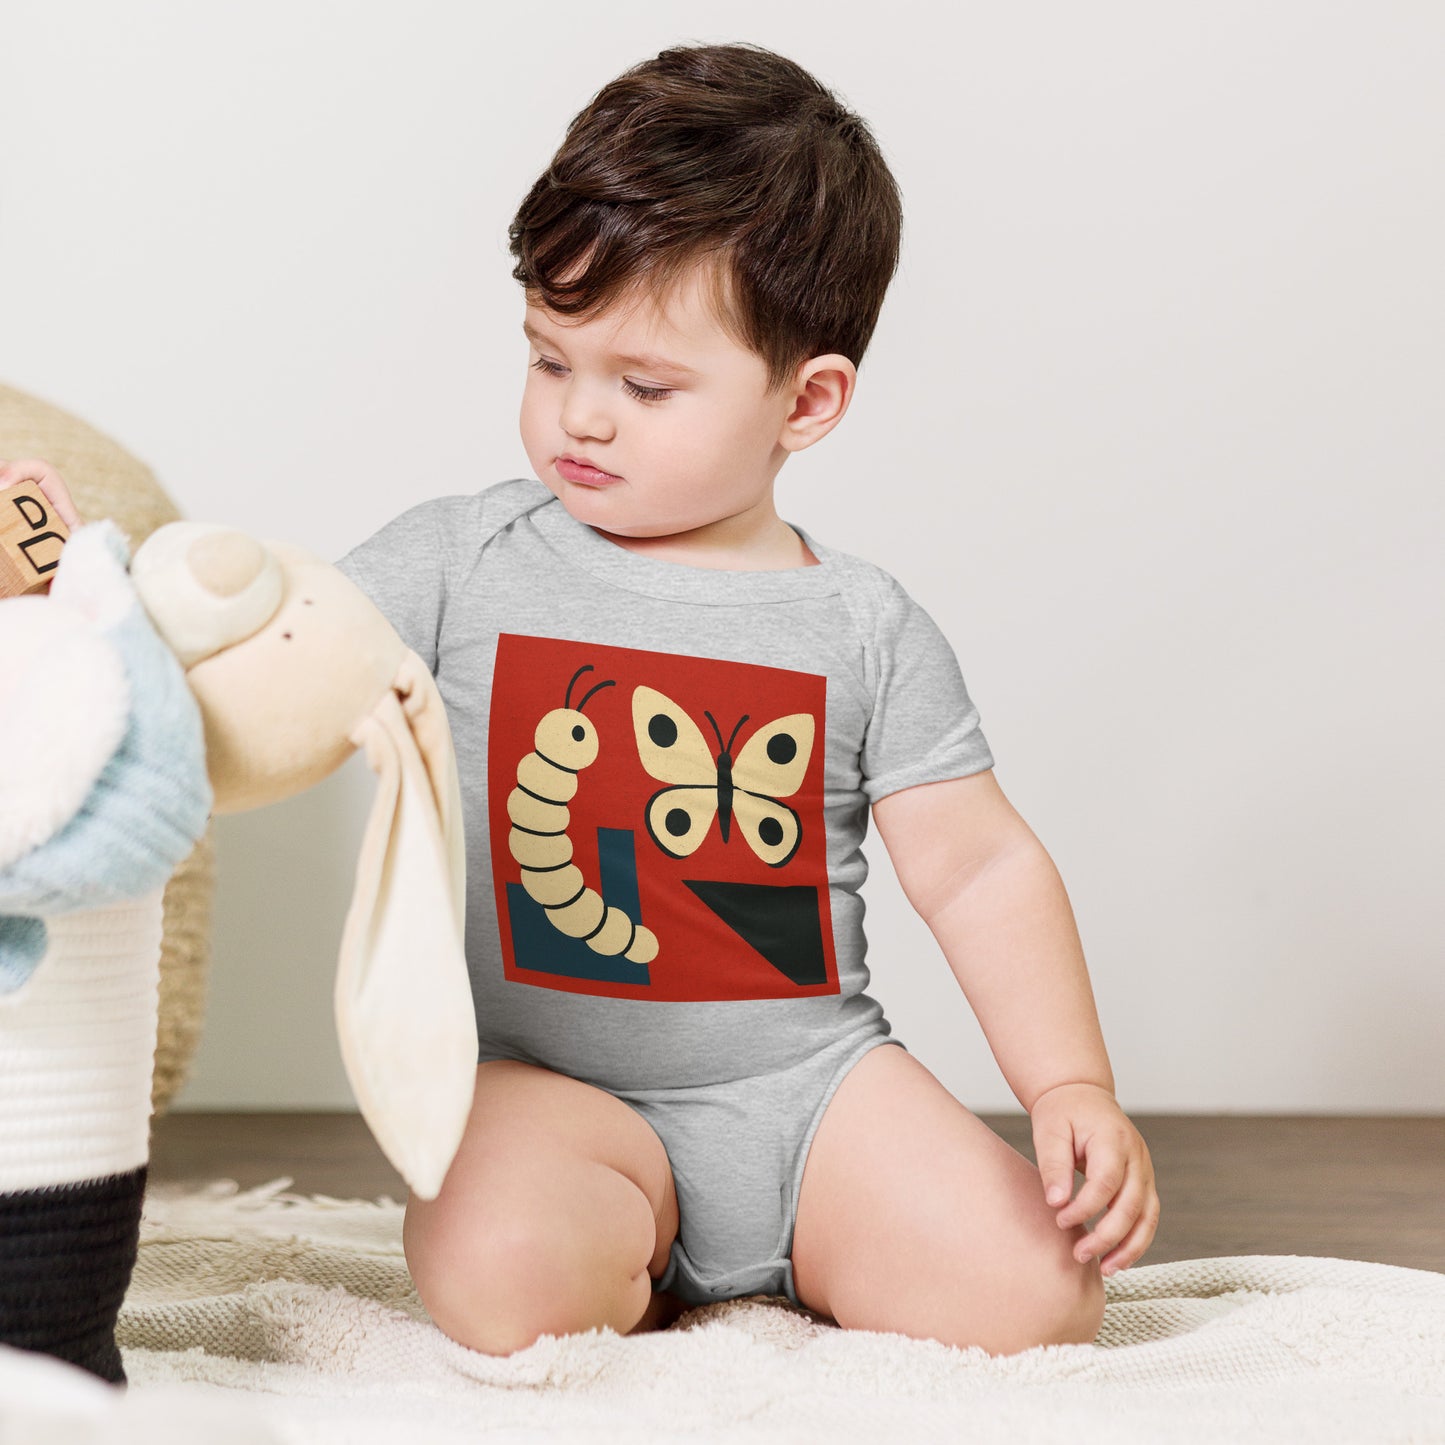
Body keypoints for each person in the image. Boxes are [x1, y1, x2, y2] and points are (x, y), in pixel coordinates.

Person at [5, 40, 1159, 1359]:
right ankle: (639, 1255)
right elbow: (284, 656)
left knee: (1037, 1298)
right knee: (492, 1273)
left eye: (645, 385)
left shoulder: (863, 627)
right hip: (557, 1091)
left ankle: (783, 1253)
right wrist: (90, 612)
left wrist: (1067, 1082)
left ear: (809, 399)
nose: (579, 419)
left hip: (810, 1090)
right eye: (551, 361)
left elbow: (977, 870)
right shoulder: (465, 561)